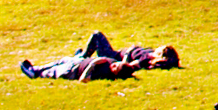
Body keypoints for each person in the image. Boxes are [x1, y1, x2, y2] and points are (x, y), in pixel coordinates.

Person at [19, 31, 180, 81]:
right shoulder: (149, 53)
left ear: (162, 53)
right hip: (113, 58)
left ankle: (82, 56)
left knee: (97, 35)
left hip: (111, 57)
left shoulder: (146, 58)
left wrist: (125, 58)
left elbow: (133, 64)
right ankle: (80, 56)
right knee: (68, 61)